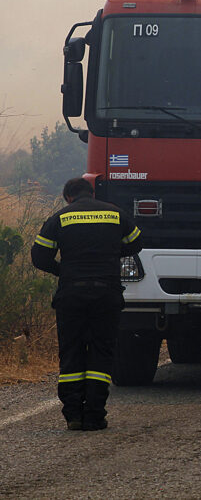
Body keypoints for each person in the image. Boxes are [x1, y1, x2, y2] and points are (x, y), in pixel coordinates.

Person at [30, 178, 142, 431]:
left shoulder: (60, 217)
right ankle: (94, 415)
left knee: (71, 351)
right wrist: (110, 255)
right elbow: (136, 243)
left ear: (67, 196)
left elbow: (39, 256)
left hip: (71, 294)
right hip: (107, 294)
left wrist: (64, 271)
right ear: (92, 193)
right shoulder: (115, 214)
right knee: (102, 351)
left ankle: (73, 415)